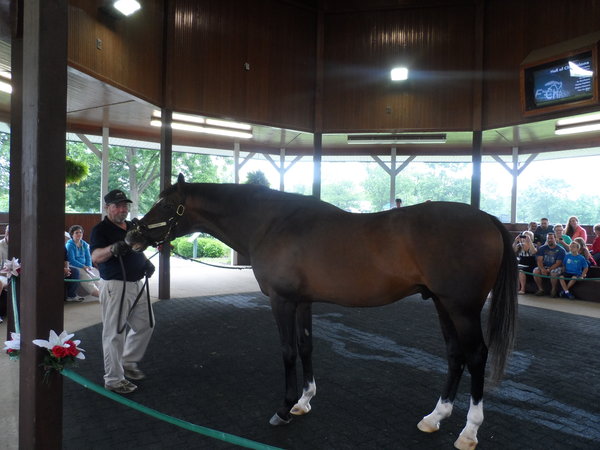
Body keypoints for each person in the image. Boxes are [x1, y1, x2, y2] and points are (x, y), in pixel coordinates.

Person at [90, 189, 155, 394]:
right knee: (114, 334)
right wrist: (114, 248)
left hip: (137, 284)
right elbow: (96, 257)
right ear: (107, 208)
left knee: (146, 324)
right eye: (117, 205)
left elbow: (137, 249)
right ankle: (113, 379)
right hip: (115, 286)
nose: (122, 209)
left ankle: (128, 361)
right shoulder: (100, 230)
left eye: (124, 205)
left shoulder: (132, 226)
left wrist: (146, 263)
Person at [66, 224, 100, 297]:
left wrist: (89, 266)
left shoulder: (84, 244)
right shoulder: (69, 245)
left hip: (85, 266)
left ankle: (105, 291)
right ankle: (98, 294)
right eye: (76, 232)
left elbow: (88, 257)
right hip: (74, 266)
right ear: (72, 234)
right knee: (85, 276)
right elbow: (71, 260)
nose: (79, 234)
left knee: (95, 274)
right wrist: (83, 266)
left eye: (80, 232)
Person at [533, 232, 566, 298]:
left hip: (557, 267)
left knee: (553, 273)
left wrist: (548, 270)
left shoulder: (561, 250)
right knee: (535, 271)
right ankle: (540, 289)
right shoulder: (542, 248)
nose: (549, 240)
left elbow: (558, 263)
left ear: (555, 239)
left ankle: (553, 290)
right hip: (545, 266)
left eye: (551, 238)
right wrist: (542, 269)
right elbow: (539, 260)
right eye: (548, 238)